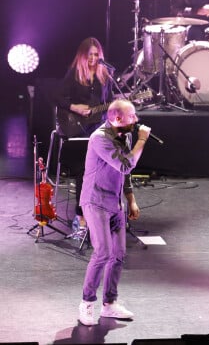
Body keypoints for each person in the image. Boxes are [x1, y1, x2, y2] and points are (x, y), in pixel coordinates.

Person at [77, 99, 151, 326]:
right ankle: (87, 303)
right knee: (103, 252)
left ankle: (109, 304)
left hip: (114, 201)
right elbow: (126, 165)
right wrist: (142, 140)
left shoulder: (125, 135)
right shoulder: (100, 138)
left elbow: (124, 174)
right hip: (95, 201)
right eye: (132, 117)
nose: (136, 120)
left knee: (118, 254)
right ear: (117, 119)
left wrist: (131, 199)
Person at [54, 37, 114, 240]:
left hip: (98, 127)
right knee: (84, 172)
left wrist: (119, 106)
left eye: (97, 55)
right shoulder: (74, 73)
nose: (94, 58)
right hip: (77, 129)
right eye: (90, 55)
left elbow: (109, 102)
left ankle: (102, 215)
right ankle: (81, 219)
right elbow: (58, 97)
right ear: (83, 55)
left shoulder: (105, 74)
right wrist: (74, 107)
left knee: (104, 171)